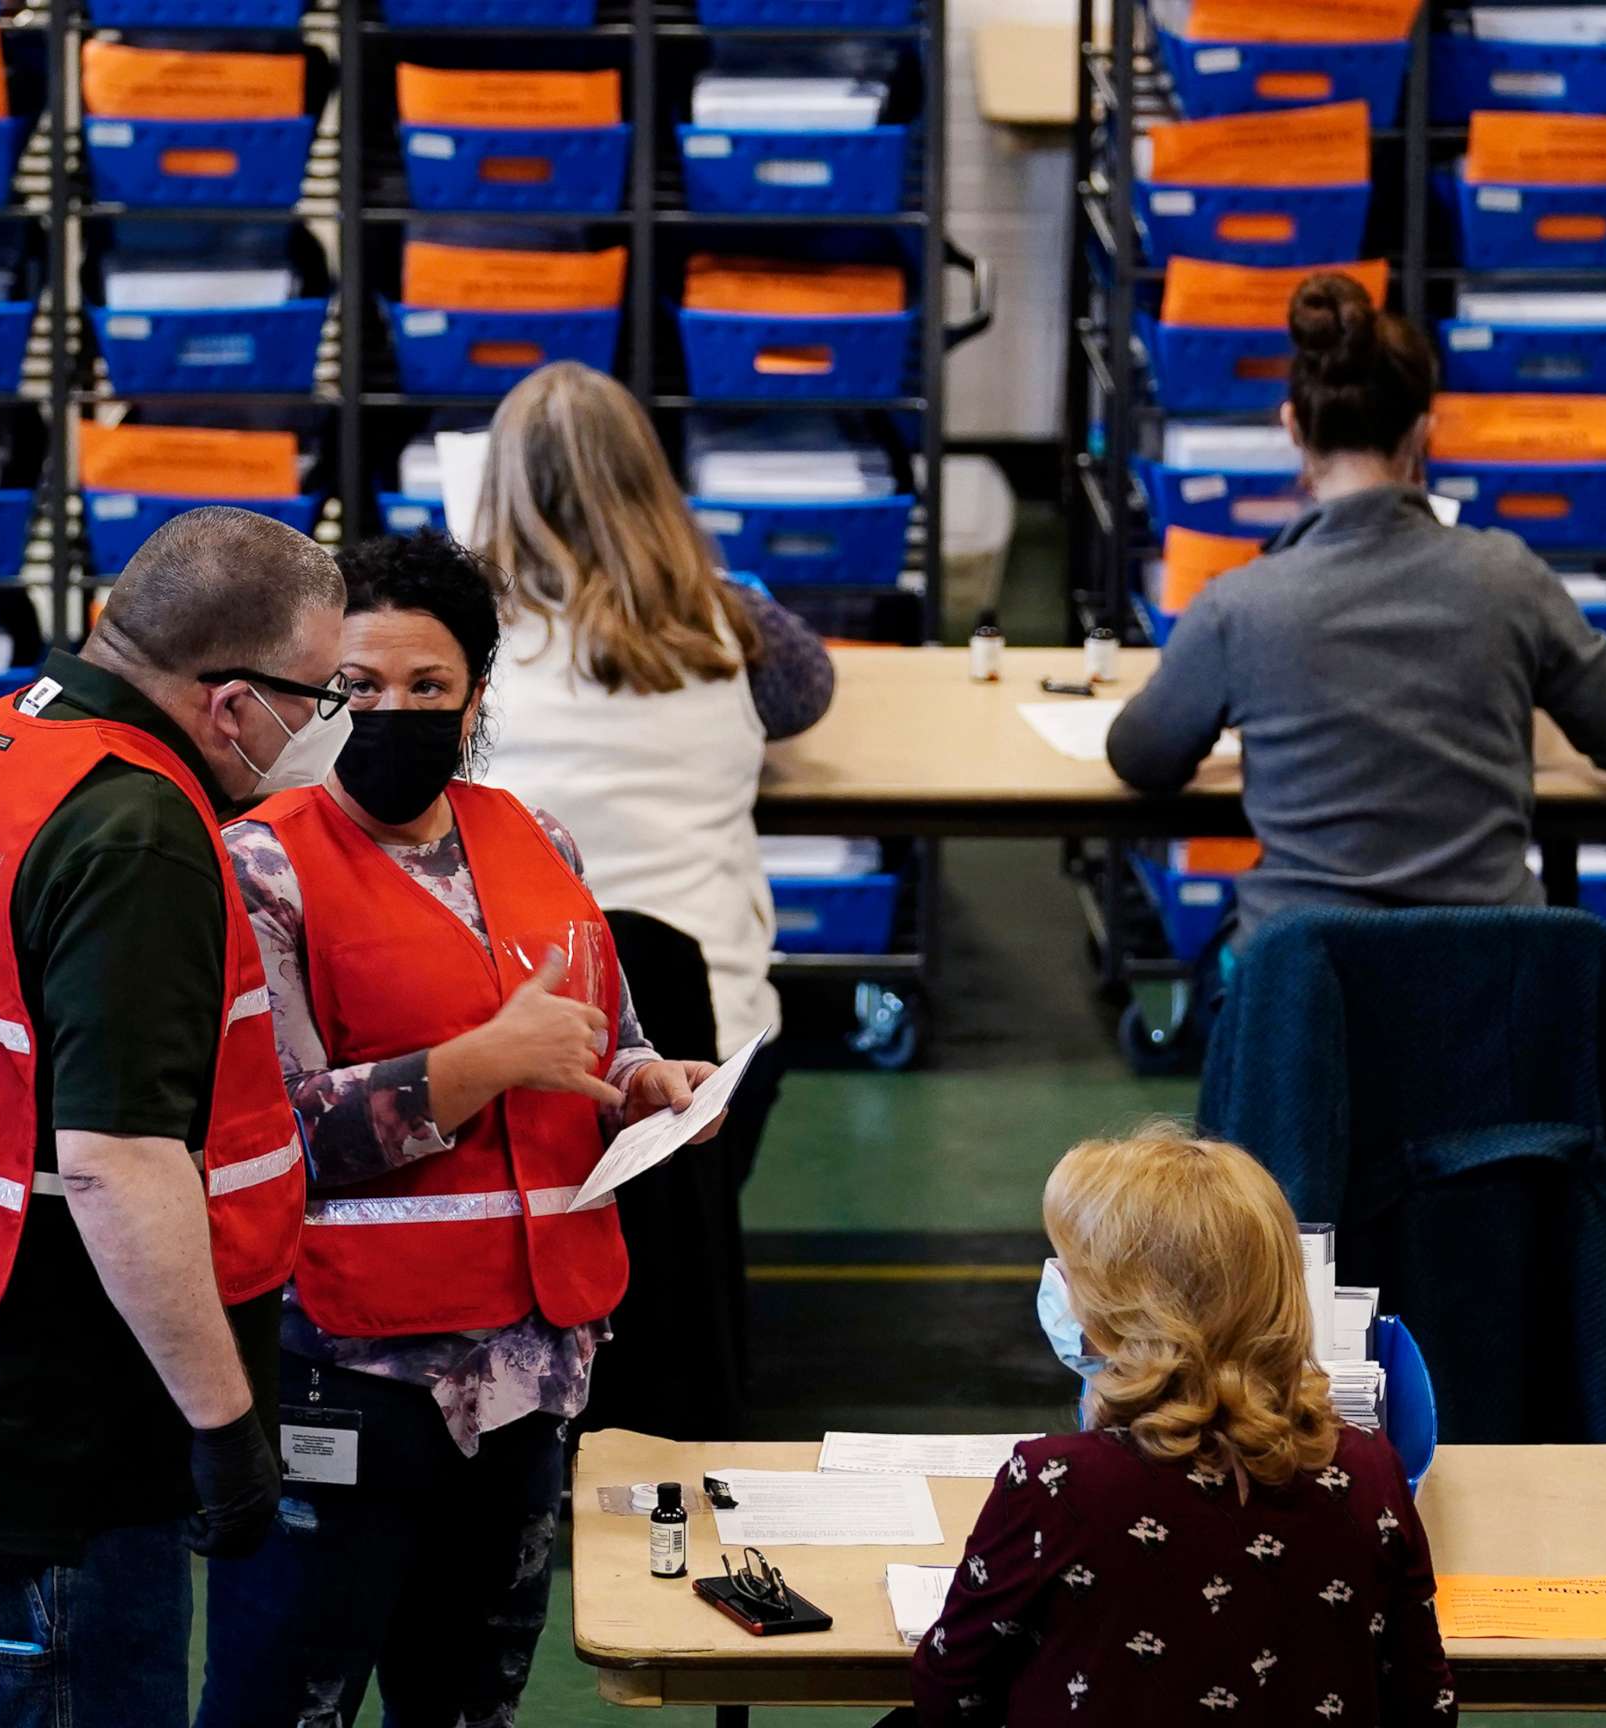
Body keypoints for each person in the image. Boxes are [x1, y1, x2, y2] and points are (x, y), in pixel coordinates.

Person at [0, 508, 352, 1727]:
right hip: (52, 1439)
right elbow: (116, 1163)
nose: (325, 728)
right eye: (319, 695)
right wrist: (223, 1425)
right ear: (229, 702)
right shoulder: (139, 834)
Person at [199, 530, 726, 1728]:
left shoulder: (540, 842)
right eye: (361, 686)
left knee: (469, 1706)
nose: (395, 711)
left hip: (531, 1374)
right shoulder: (263, 869)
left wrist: (651, 1084)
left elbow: (612, 1040)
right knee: (287, 1700)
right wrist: (477, 1067)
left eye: (428, 687)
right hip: (352, 1376)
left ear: (475, 695)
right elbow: (269, 1133)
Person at [472, 360, 836, 1438]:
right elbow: (811, 691)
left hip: (530, 1038)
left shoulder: (467, 646)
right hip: (714, 1038)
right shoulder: (732, 628)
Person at [1106, 272, 1606, 954]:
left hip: (1308, 1004)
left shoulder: (1242, 605)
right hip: (1487, 992)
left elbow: (1139, 756)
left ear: (1292, 427)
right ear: (1424, 432)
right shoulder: (1509, 578)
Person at [912, 1127, 1456, 1728]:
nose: (1058, 1285)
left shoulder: (1055, 1484)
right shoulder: (1370, 1471)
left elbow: (950, 1692)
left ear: (1128, 1310)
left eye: (1072, 1271)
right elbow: (1426, 1706)